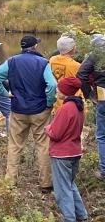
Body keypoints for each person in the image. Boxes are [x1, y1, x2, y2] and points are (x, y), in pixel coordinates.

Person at [0, 35, 57, 192]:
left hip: (18, 110)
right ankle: (46, 183)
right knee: (42, 146)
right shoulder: (43, 63)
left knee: (14, 146)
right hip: (40, 110)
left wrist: (4, 93)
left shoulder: (12, 61)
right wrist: (48, 102)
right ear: (34, 47)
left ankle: (10, 181)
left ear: (22, 47)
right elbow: (52, 85)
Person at [45, 77, 88, 222]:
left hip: (61, 155)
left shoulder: (64, 108)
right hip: (75, 151)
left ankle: (69, 218)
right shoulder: (79, 106)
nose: (56, 90)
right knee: (70, 185)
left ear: (65, 91)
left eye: (58, 88)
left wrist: (47, 128)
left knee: (62, 190)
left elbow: (56, 134)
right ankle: (82, 215)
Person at [76, 33, 105, 180]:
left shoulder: (95, 55)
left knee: (102, 135)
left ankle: (104, 171)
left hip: (102, 96)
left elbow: (80, 74)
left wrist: (89, 94)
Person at [50, 35, 82, 111]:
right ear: (71, 49)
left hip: (57, 98)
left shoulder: (52, 59)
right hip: (71, 102)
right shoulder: (76, 65)